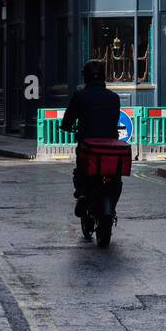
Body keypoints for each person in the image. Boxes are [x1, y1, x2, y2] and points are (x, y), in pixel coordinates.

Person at [61, 59, 122, 216]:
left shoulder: (80, 96)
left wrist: (66, 126)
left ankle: (82, 194)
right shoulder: (114, 97)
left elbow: (68, 120)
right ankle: (111, 206)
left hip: (88, 144)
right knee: (115, 176)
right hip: (110, 146)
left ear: (86, 77)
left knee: (81, 170)